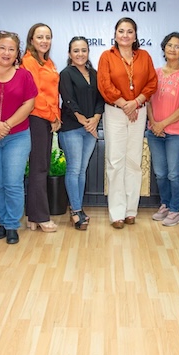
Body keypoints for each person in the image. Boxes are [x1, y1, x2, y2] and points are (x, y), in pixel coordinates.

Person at [98, 17, 158, 229]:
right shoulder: (107, 56)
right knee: (115, 162)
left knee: (134, 162)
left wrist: (136, 102)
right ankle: (117, 213)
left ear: (135, 35)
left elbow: (152, 82)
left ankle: (131, 210)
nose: (125, 35)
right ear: (115, 34)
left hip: (139, 111)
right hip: (115, 111)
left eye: (129, 31)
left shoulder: (144, 56)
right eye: (121, 31)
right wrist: (126, 105)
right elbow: (104, 85)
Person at [0, 31, 37, 244]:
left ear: (17, 54)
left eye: (11, 49)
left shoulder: (24, 76)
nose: (6, 52)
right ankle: (3, 221)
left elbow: (29, 104)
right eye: (2, 48)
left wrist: (6, 125)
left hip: (17, 136)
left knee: (13, 182)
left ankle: (12, 224)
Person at [146, 32, 179, 227]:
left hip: (178, 134)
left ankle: (176, 210)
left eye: (177, 46)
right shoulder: (155, 73)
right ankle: (165, 204)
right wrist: (153, 124)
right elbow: (148, 100)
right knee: (160, 173)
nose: (172, 49)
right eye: (169, 45)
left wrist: (162, 124)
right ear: (164, 48)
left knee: (175, 173)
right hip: (155, 133)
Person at [58, 36, 104, 230]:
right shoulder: (66, 73)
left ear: (88, 52)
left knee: (81, 171)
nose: (80, 54)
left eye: (83, 50)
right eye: (76, 51)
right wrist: (81, 118)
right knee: (74, 169)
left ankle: (79, 208)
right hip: (72, 128)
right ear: (70, 54)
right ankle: (76, 211)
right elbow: (67, 99)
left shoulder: (94, 74)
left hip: (90, 128)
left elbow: (101, 99)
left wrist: (95, 118)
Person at [22, 23, 60, 233]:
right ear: (32, 40)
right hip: (36, 117)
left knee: (40, 166)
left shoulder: (48, 62)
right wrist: (52, 115)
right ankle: (40, 216)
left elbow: (53, 93)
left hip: (47, 118)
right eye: (40, 37)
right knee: (39, 168)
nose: (44, 40)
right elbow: (34, 93)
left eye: (48, 36)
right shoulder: (28, 61)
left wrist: (56, 116)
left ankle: (33, 217)